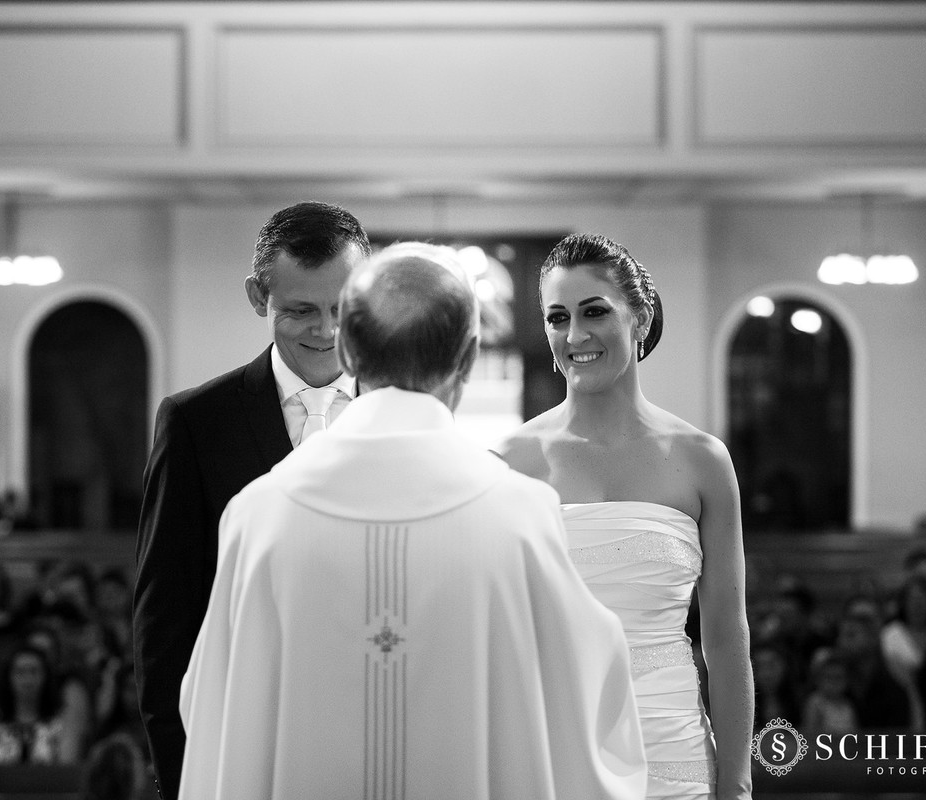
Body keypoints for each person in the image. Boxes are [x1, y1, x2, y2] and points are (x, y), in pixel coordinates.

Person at [178, 242, 646, 800]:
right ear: (469, 356)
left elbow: (211, 709)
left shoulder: (259, 514)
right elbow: (584, 696)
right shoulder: (519, 515)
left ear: (347, 351)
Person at [498, 233, 753, 799]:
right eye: (557, 317)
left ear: (639, 318)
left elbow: (726, 638)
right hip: (553, 749)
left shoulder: (701, 460)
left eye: (594, 312)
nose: (574, 335)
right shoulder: (511, 460)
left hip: (672, 748)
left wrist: (736, 785)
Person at [134, 201, 370, 800]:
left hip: (378, 739)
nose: (325, 330)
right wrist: (183, 775)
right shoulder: (196, 422)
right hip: (244, 746)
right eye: (300, 310)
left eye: (342, 308)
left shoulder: (406, 413)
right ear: (257, 296)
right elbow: (165, 622)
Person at [0, 642, 82, 764]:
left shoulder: (64, 723)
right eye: (20, 672)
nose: (27, 680)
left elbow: (67, 775)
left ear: (46, 677)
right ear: (8, 677)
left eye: (34, 671)